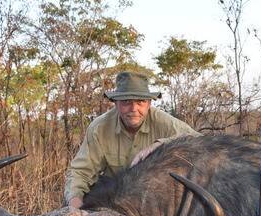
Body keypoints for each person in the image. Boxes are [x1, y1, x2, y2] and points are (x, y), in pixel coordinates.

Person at [64, 71, 200, 208]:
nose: (134, 108)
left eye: (140, 101)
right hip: (114, 197)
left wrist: (161, 145)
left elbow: (201, 141)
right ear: (115, 103)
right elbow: (80, 172)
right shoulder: (99, 128)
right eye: (126, 101)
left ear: (149, 104)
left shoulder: (165, 123)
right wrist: (75, 206)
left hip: (156, 198)